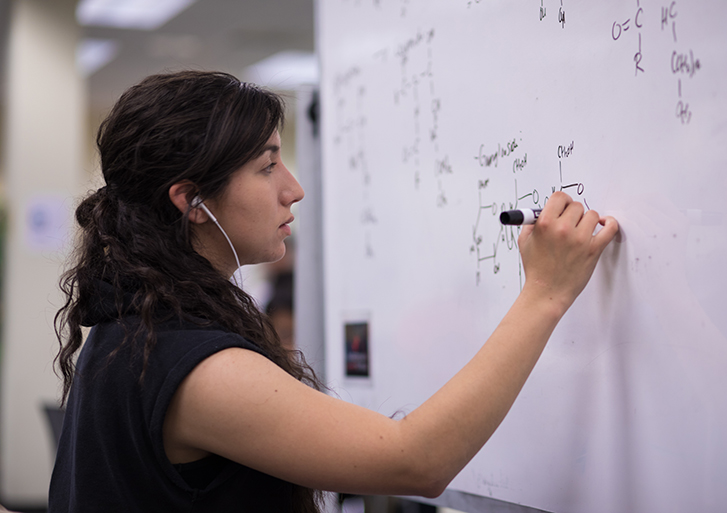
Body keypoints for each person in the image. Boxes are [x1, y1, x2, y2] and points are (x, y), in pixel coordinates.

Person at [48, 70, 618, 512]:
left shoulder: (128, 330)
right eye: (267, 166)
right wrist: (545, 293)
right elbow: (414, 462)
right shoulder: (188, 363)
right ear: (191, 200)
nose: (293, 189)